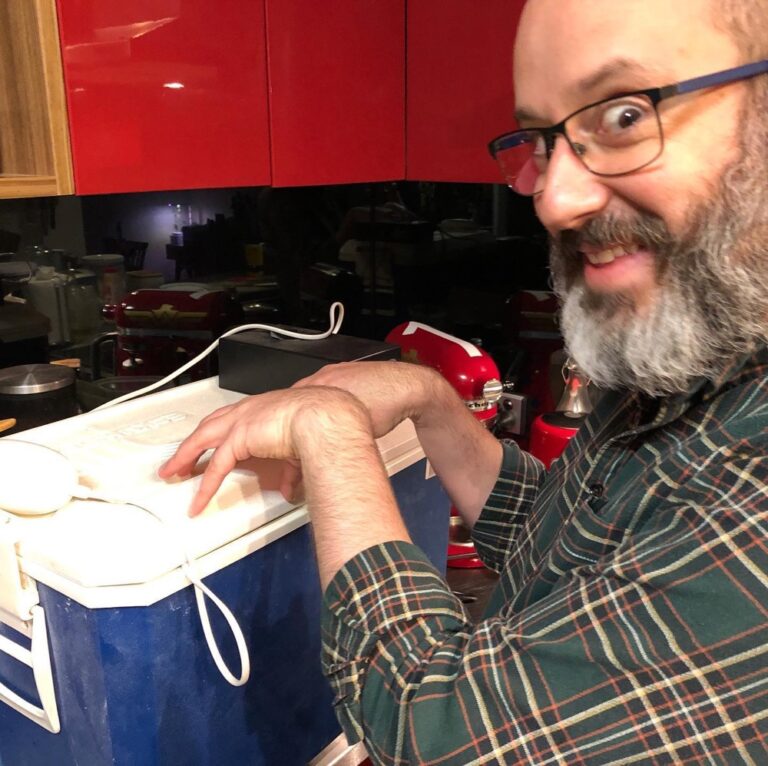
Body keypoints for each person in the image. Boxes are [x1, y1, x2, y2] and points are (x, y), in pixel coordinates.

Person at [160, 0, 768, 761]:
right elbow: (561, 546)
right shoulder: (706, 358)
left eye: (621, 118)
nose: (555, 199)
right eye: (544, 142)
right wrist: (432, 405)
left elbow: (434, 733)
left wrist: (329, 435)